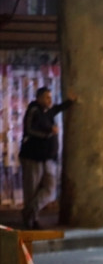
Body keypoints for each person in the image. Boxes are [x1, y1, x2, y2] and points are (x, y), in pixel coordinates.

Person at [18, 86, 75, 229]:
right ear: (39, 98)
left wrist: (70, 102)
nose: (50, 100)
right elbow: (30, 130)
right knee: (32, 190)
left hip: (48, 158)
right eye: (47, 97)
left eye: (51, 97)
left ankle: (29, 212)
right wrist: (49, 131)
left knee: (50, 189)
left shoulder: (48, 112)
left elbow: (57, 109)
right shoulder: (34, 110)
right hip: (33, 157)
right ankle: (31, 220)